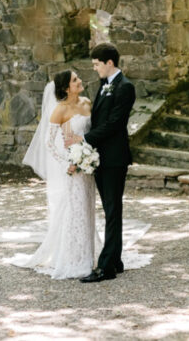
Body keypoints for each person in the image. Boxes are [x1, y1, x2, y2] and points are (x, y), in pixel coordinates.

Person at [11, 69, 98, 279]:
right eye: (75, 79)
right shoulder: (59, 110)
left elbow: (92, 133)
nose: (80, 81)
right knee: (73, 210)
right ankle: (72, 256)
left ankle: (91, 251)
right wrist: (67, 163)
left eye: (78, 77)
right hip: (72, 168)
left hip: (88, 166)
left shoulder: (86, 103)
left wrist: (88, 155)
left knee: (88, 208)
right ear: (66, 88)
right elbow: (49, 143)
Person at [65, 42, 135, 283]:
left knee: (113, 211)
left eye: (96, 64)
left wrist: (83, 139)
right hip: (101, 157)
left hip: (115, 158)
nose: (94, 69)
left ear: (109, 63)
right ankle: (115, 259)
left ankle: (106, 268)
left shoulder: (125, 87)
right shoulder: (105, 85)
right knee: (109, 209)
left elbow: (114, 124)